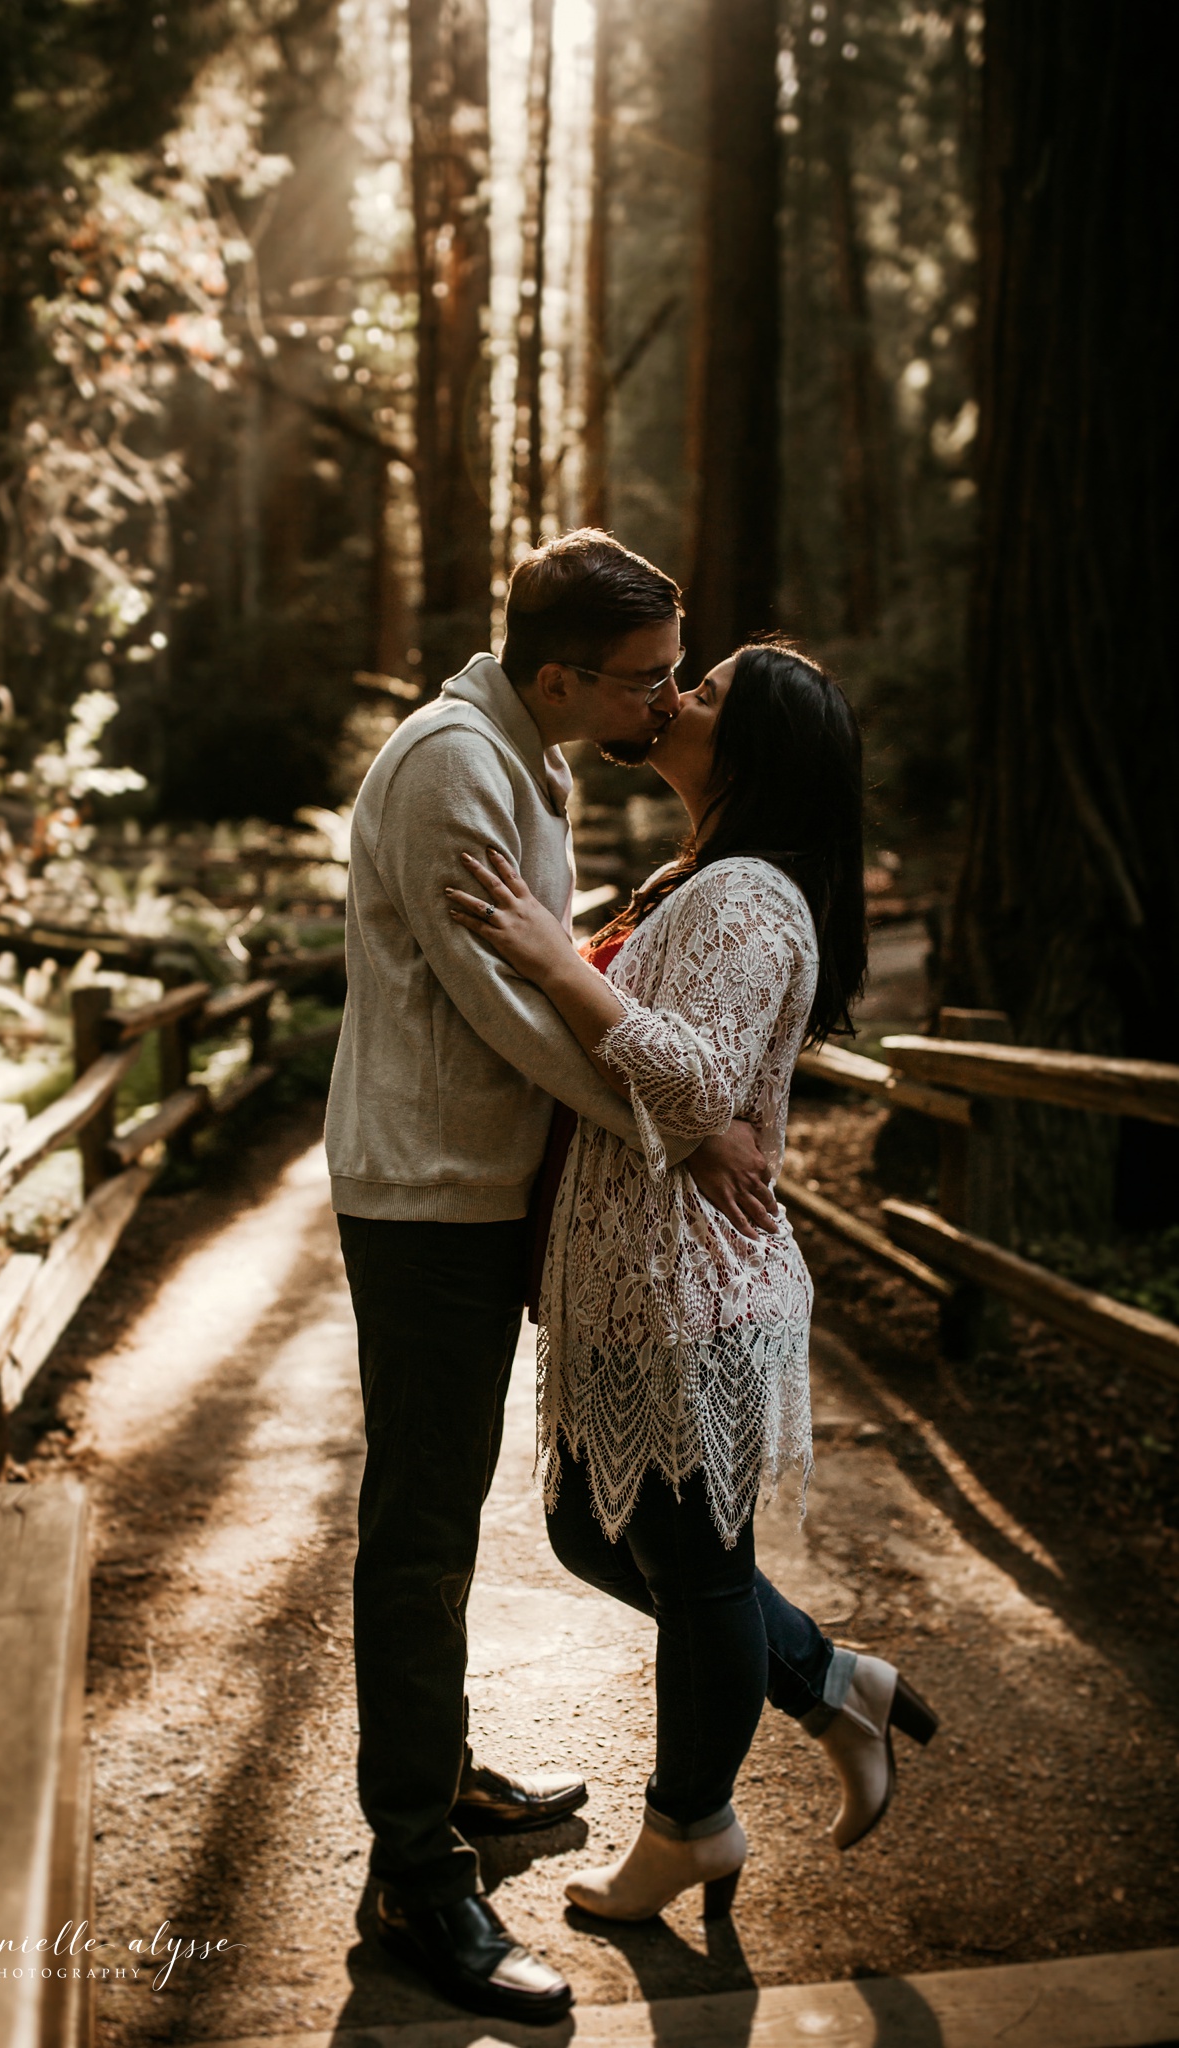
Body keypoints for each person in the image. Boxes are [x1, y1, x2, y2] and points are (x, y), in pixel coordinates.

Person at [325, 532, 781, 2025]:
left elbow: (542, 969)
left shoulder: (532, 752)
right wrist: (674, 1116)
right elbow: (506, 1010)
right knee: (419, 1521)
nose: (666, 701)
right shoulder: (454, 763)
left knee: (451, 1507)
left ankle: (438, 1772)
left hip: (479, 1188)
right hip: (427, 1196)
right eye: (646, 678)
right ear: (559, 673)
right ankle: (411, 1867)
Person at [446, 640, 939, 1925]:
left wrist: (554, 958)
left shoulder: (748, 900)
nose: (676, 696)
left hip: (692, 1287)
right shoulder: (704, 880)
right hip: (640, 1280)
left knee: (696, 1567)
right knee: (590, 1527)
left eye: (706, 691)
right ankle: (835, 1682)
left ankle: (691, 1825)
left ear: (751, 749)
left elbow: (694, 1080)